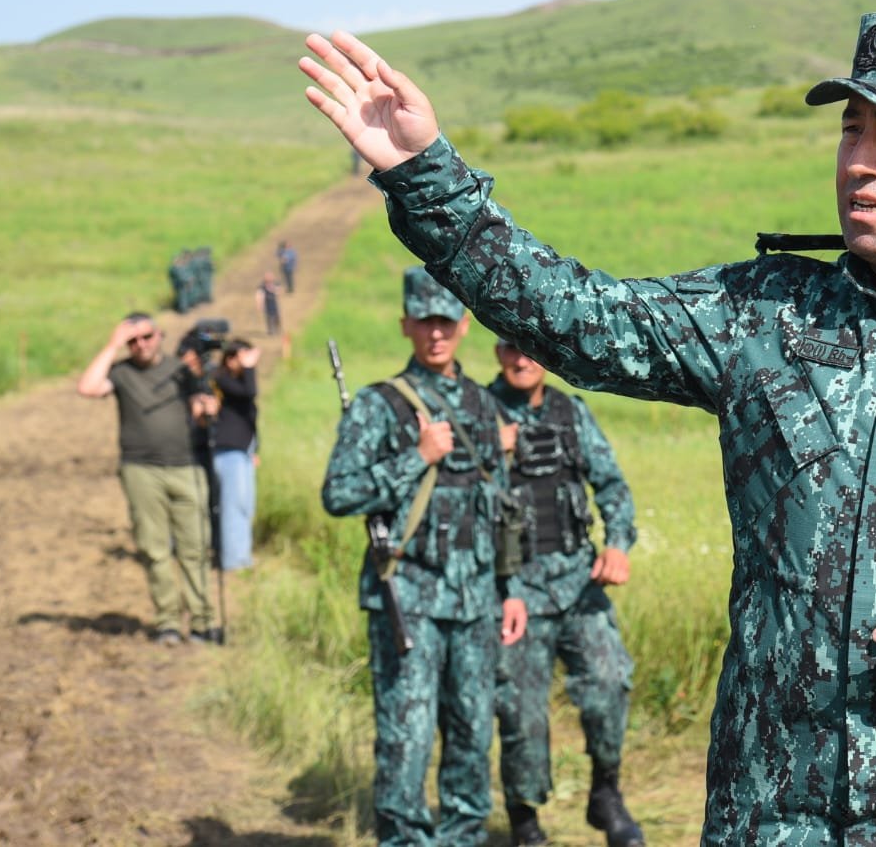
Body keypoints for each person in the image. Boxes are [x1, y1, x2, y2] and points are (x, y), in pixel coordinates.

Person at [300, 14, 876, 844]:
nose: (860, 159)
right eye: (850, 129)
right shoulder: (765, 318)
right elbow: (568, 317)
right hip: (770, 811)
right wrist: (427, 177)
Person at [321, 268, 529, 847]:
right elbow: (338, 493)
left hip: (477, 601)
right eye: (424, 322)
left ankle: (463, 837)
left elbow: (502, 506)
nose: (436, 334)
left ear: (463, 326)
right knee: (406, 738)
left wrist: (509, 589)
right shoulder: (379, 404)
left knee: (469, 735)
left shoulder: (487, 406)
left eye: (446, 321)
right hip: (407, 599)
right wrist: (417, 456)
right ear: (406, 325)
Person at [489, 339, 642, 847]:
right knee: (521, 711)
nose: (520, 358)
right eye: (509, 348)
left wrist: (617, 545)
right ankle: (525, 820)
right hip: (512, 590)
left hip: (578, 583)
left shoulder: (571, 413)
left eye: (529, 348)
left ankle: (606, 793)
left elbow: (613, 487)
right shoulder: (478, 412)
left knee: (608, 679)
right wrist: (492, 447)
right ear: (495, 351)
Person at [76, 312, 219, 645]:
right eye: (133, 340)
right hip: (140, 470)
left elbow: (202, 412)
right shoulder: (121, 372)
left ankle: (202, 621)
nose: (141, 345)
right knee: (154, 549)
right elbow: (88, 387)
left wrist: (207, 410)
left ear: (160, 336)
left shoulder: (182, 371)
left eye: (147, 337)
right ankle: (167, 622)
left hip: (187, 467)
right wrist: (112, 345)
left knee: (194, 548)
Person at [210, 339, 261, 571]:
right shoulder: (222, 380)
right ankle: (233, 562)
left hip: (242, 452)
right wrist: (249, 367)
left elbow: (249, 419)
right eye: (242, 357)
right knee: (233, 507)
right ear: (230, 359)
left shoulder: (237, 382)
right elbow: (250, 392)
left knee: (245, 506)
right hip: (229, 452)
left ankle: (242, 558)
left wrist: (254, 450)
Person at [255, 272, 282, 337]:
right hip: (267, 303)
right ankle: (270, 330)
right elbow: (259, 295)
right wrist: (259, 304)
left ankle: (277, 328)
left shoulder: (275, 284)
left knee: (276, 315)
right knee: (269, 316)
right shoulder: (262, 287)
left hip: (274, 302)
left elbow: (279, 291)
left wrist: (276, 291)